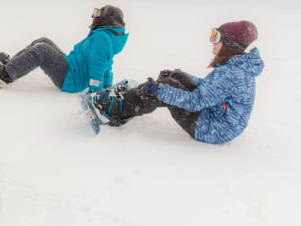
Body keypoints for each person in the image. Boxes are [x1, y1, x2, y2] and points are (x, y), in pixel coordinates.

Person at [91, 21, 264, 144]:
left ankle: (113, 110)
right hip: (214, 117)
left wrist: (160, 90)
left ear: (229, 44)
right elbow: (209, 89)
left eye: (216, 37)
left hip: (211, 128)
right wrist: (180, 75)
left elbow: (197, 101)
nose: (213, 41)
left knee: (167, 87)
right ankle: (131, 99)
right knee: (174, 78)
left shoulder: (232, 73)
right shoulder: (235, 68)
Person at [0, 5, 129, 93]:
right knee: (43, 41)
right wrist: (107, 88)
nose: (94, 17)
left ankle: (3, 77)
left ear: (107, 19)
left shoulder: (102, 39)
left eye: (98, 14)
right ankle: (10, 67)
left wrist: (96, 94)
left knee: (42, 50)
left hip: (71, 79)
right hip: (71, 67)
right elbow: (108, 66)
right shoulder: (104, 36)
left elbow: (98, 68)